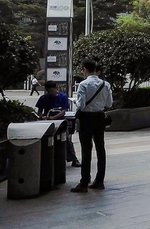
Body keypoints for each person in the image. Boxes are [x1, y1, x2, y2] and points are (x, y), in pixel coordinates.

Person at [71, 59, 113, 193]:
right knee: (101, 149)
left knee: (86, 149)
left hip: (86, 119)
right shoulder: (105, 84)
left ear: (84, 69)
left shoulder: (83, 84)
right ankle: (99, 181)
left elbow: (81, 105)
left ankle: (84, 182)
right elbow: (109, 104)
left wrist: (76, 102)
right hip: (100, 117)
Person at [36, 81, 80, 167]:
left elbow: (63, 111)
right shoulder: (43, 98)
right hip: (47, 122)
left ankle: (74, 159)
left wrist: (54, 117)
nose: (52, 93)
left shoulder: (62, 97)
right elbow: (40, 111)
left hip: (60, 121)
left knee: (67, 140)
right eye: (50, 91)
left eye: (53, 90)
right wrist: (42, 117)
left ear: (56, 88)